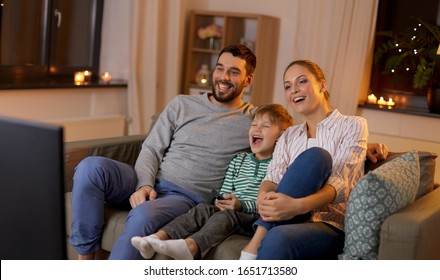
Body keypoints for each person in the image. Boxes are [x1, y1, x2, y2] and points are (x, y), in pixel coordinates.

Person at [69, 44, 257, 260]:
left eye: (234, 72)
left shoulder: (252, 120)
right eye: (220, 68)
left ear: (248, 80)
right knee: (90, 168)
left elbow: (285, 131)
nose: (223, 77)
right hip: (149, 180)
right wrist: (145, 184)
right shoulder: (182, 104)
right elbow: (151, 148)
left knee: (143, 215)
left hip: (184, 197)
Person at [239, 59, 378, 260]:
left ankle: (257, 240)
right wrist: (263, 199)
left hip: (329, 225)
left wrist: (298, 206)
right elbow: (272, 178)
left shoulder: (353, 125)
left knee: (316, 157)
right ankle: (261, 235)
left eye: (301, 82)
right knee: (275, 230)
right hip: (285, 218)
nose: (294, 90)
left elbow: (341, 184)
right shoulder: (288, 135)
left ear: (322, 85)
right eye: (288, 86)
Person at [130, 104, 294, 260]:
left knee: (228, 216)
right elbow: (225, 190)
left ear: (281, 136)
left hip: (252, 218)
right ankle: (155, 239)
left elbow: (270, 203)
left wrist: (241, 205)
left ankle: (191, 247)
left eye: (265, 126)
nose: (256, 128)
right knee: (202, 209)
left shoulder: (278, 168)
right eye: (254, 124)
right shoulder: (239, 160)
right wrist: (223, 201)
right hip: (230, 209)